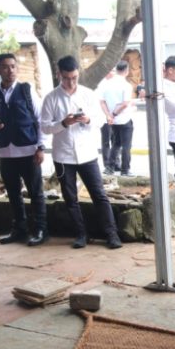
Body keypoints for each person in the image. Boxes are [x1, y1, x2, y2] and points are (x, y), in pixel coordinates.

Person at [40, 56, 123, 250]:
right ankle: (80, 234)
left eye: (74, 77)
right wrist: (63, 123)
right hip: (63, 155)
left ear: (78, 73)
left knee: (99, 195)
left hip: (87, 153)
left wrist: (86, 120)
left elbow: (101, 120)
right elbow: (44, 127)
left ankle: (111, 234)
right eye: (66, 78)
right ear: (59, 74)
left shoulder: (88, 94)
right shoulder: (51, 98)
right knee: (70, 198)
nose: (70, 82)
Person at [0, 53, 48, 247]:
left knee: (36, 193)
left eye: (13, 66)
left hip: (28, 150)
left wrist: (40, 147)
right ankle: (19, 228)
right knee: (13, 193)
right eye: (5, 67)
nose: (10, 70)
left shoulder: (26, 90)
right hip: (5, 152)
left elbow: (40, 120)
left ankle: (40, 229)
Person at [99, 60, 134, 176]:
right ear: (126, 71)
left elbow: (102, 102)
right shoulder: (126, 85)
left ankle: (109, 167)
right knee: (126, 145)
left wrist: (108, 115)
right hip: (124, 118)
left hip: (112, 120)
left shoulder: (106, 84)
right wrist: (113, 114)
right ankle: (125, 170)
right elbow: (124, 104)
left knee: (116, 143)